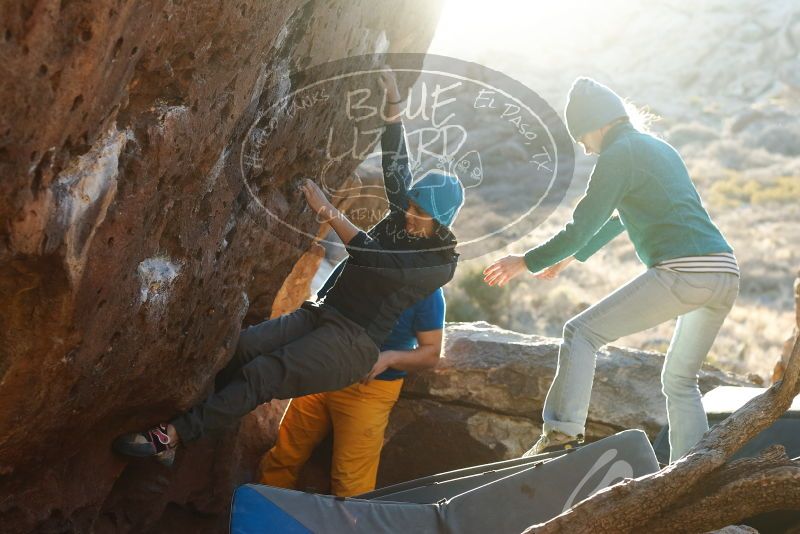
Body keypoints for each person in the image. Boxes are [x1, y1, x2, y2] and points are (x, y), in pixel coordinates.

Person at [114, 69, 464, 465]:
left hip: (354, 345)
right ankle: (196, 427)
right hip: (323, 313)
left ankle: (170, 437)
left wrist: (329, 212)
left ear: (441, 221)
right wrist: (393, 104)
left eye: (420, 213)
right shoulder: (408, 219)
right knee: (240, 349)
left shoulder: (437, 265)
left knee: (263, 375)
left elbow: (376, 259)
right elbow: (397, 168)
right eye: (412, 207)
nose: (409, 216)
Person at [484, 77, 739, 462]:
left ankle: (561, 433)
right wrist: (570, 258)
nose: (585, 148)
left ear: (599, 124)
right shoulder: (658, 148)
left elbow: (580, 225)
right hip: (724, 272)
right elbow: (619, 219)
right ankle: (694, 468)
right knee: (679, 380)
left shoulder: (619, 153)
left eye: (582, 137)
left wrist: (525, 260)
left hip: (685, 272)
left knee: (580, 333)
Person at [258, 262, 446, 497]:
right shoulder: (358, 259)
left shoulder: (428, 289)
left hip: (370, 389)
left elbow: (431, 353)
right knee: (282, 457)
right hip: (322, 373)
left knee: (351, 485)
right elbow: (318, 308)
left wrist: (388, 358)